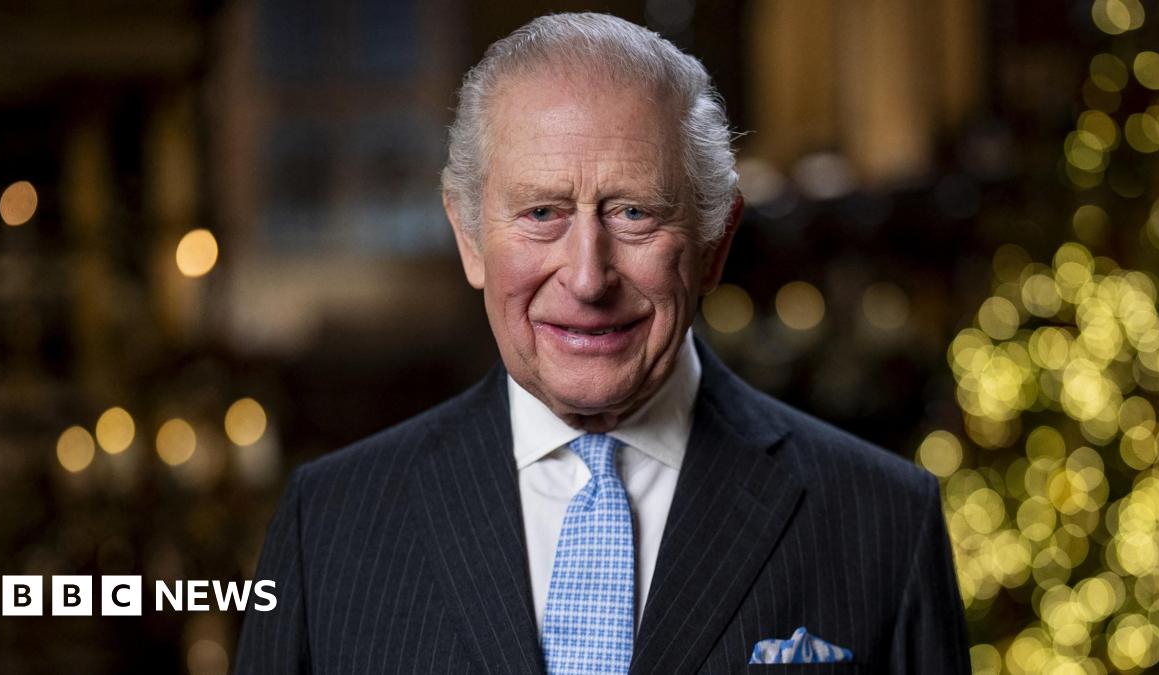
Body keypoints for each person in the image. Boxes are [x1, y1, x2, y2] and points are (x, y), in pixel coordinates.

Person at [235, 12, 970, 675]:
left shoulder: (884, 521)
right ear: (468, 237)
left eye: (634, 211)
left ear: (715, 243)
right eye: (542, 211)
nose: (588, 277)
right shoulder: (327, 525)